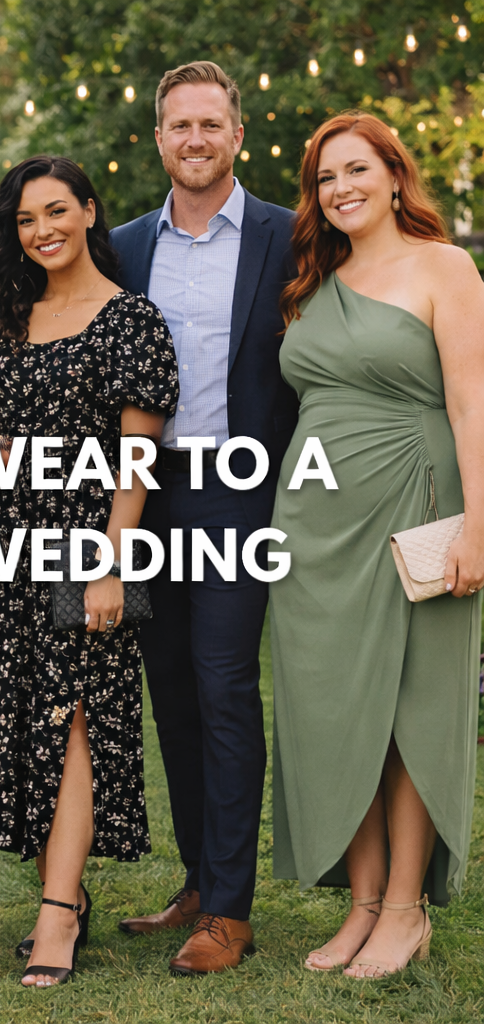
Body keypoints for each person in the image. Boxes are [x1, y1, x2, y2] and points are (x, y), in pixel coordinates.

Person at [0, 156, 178, 987]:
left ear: (87, 212)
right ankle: (64, 897)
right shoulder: (9, 320)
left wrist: (111, 566)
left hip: (88, 543)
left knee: (76, 718)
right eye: (24, 220)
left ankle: (55, 915)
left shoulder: (132, 321)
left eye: (55, 212)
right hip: (8, 547)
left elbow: (136, 461)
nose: (41, 231)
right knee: (27, 723)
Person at [270, 112, 484, 978]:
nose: (341, 188)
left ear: (396, 176)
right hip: (314, 525)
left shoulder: (445, 267)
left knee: (410, 711)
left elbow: (472, 402)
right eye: (326, 178)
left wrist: (480, 521)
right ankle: (361, 905)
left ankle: (405, 909)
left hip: (416, 505)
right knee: (332, 711)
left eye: (356, 169)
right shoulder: (314, 282)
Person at [109, 61, 298, 976]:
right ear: (158, 139)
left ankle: (230, 908)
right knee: (173, 692)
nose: (194, 140)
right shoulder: (124, 244)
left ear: (236, 134)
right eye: (178, 125)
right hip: (143, 492)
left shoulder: (288, 236)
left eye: (210, 125)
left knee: (225, 686)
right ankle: (195, 878)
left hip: (239, 489)